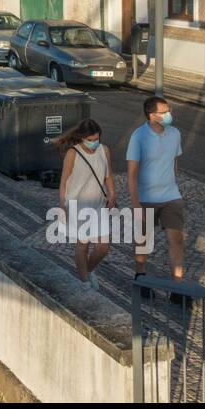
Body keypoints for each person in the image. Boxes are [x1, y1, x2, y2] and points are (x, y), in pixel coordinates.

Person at [127, 96, 187, 303]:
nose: (169, 114)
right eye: (165, 111)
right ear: (152, 116)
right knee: (145, 241)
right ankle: (140, 274)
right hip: (145, 198)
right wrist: (135, 204)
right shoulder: (138, 137)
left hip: (171, 196)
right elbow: (132, 173)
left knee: (176, 239)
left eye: (169, 110)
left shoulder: (175, 134)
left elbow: (174, 162)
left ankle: (177, 286)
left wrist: (173, 184)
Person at [56, 118, 115, 290]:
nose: (94, 143)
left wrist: (112, 194)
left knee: (103, 247)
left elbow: (108, 175)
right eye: (90, 140)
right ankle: (84, 281)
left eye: (97, 139)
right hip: (77, 205)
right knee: (82, 246)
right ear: (82, 138)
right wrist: (62, 206)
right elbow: (64, 181)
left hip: (99, 205)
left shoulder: (104, 151)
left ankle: (88, 271)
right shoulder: (72, 153)